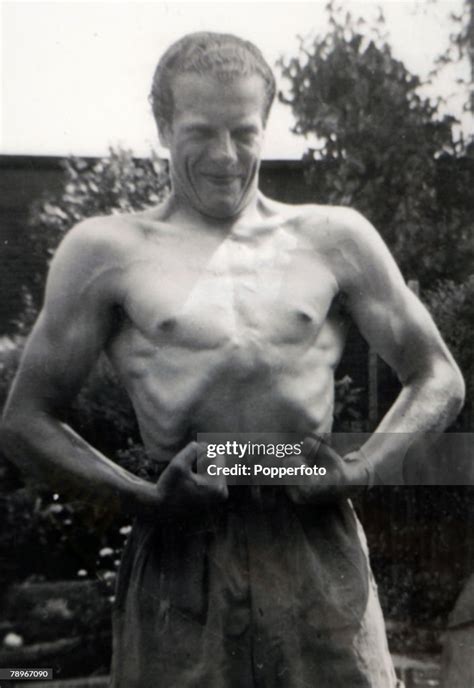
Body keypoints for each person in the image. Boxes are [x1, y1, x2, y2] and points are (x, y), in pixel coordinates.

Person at [1, 32, 464, 687]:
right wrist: (143, 498)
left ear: (266, 126)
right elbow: (24, 420)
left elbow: (439, 375)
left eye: (244, 132)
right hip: (181, 553)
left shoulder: (335, 237)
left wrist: (359, 470)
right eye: (201, 132)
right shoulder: (104, 250)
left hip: (314, 544)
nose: (225, 156)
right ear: (162, 126)